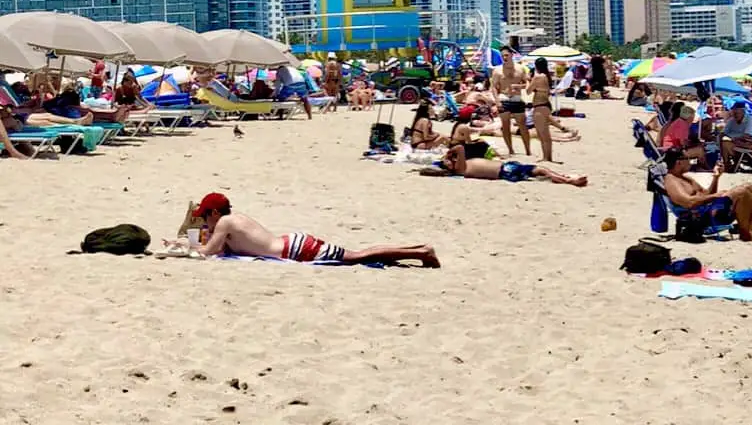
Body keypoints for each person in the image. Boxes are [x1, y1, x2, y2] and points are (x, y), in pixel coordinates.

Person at [189, 193, 440, 266]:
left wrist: (184, 246)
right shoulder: (233, 219)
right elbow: (220, 249)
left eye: (205, 217)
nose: (205, 222)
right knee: (359, 254)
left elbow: (209, 252)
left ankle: (421, 252)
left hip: (297, 250)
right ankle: (419, 250)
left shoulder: (223, 223)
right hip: (295, 243)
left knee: (360, 255)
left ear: (214, 213)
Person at [662, 148, 752, 242]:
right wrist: (715, 196)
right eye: (688, 158)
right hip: (699, 216)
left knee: (749, 188)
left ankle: (750, 232)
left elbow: (706, 194)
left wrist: (716, 178)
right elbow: (689, 202)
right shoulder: (671, 180)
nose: (690, 161)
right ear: (678, 162)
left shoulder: (686, 178)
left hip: (708, 210)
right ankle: (745, 234)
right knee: (742, 191)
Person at [438, 144, 587, 187]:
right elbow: (459, 148)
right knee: (540, 169)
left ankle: (564, 177)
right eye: (448, 162)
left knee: (538, 171)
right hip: (505, 170)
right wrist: (448, 154)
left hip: (506, 169)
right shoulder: (461, 168)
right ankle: (569, 180)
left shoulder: (462, 167)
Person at [490, 46, 531, 156]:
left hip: (517, 99)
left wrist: (518, 86)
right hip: (504, 98)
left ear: (512, 55)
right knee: (506, 125)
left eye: (506, 55)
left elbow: (528, 83)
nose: (504, 57)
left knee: (522, 125)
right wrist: (497, 101)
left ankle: (528, 150)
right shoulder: (497, 70)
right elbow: (493, 87)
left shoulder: (520, 68)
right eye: (502, 55)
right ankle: (511, 149)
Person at [720, 101, 752, 172]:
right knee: (722, 141)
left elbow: (748, 136)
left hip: (749, 146)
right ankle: (727, 164)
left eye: (737, 113)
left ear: (743, 112)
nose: (735, 115)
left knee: (726, 142)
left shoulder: (750, 120)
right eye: (734, 113)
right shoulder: (732, 120)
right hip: (737, 144)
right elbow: (723, 133)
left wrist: (733, 138)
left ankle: (730, 165)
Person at [526, 57, 554, 162]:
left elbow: (528, 91)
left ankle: (547, 157)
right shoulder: (546, 76)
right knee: (545, 134)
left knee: (543, 134)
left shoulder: (538, 77)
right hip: (545, 105)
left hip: (539, 106)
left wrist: (528, 80)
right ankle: (547, 156)